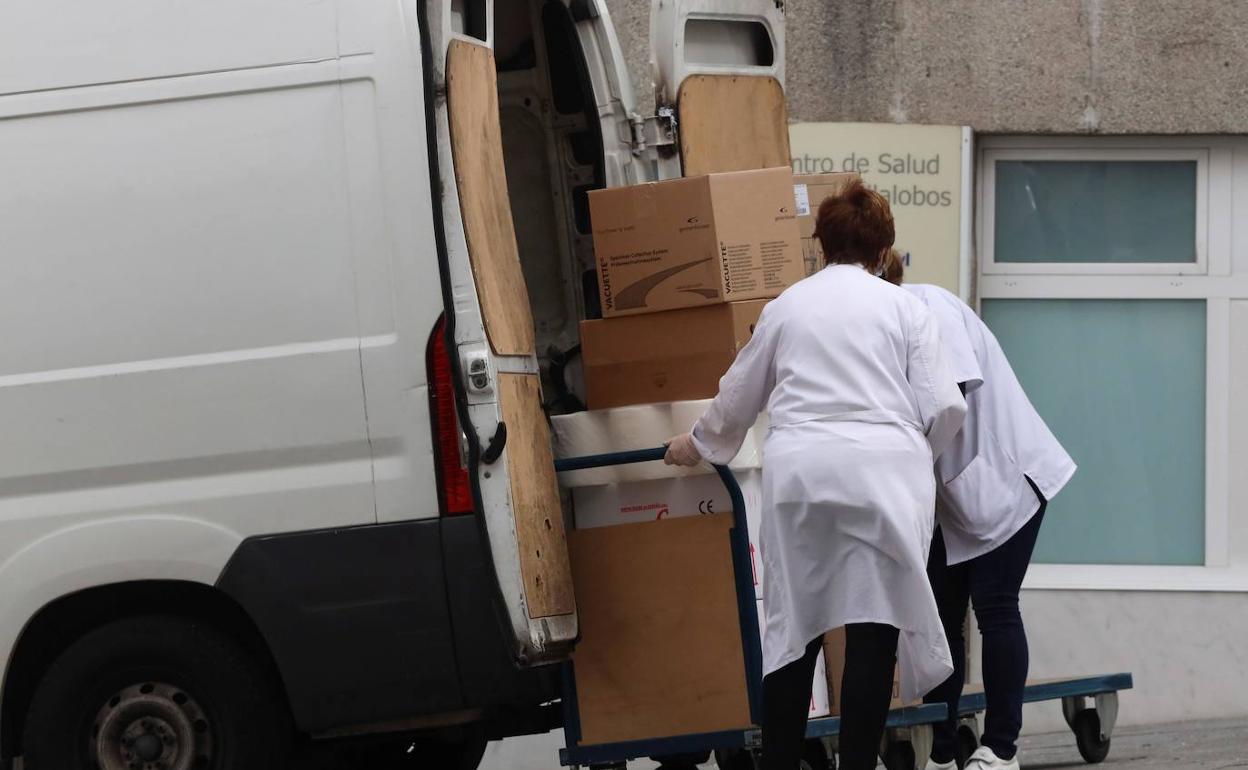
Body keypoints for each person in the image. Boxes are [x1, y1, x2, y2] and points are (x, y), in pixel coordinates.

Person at [664, 182, 967, 770]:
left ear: (821, 244)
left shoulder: (787, 306)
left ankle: (780, 761)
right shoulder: (907, 308)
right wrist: (910, 457)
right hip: (883, 471)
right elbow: (947, 407)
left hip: (800, 471)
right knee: (875, 627)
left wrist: (694, 444)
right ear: (883, 250)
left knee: (793, 626)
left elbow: (737, 399)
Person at [879, 250, 1076, 770]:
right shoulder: (880, 325)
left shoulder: (930, 307)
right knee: (941, 619)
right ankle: (942, 751)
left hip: (1007, 477)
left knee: (994, 605)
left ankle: (1000, 748)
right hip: (953, 494)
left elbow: (953, 396)